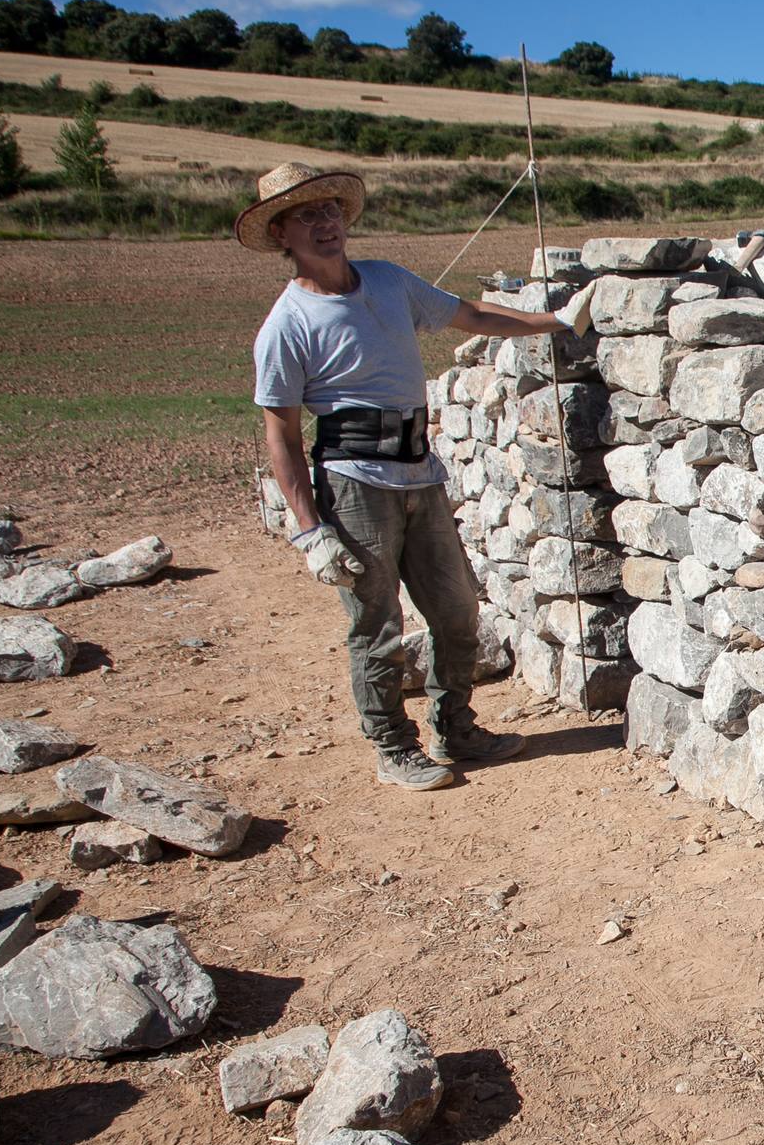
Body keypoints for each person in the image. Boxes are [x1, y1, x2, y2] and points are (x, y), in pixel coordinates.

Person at [240, 161, 592, 791]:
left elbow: (474, 316)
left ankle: (455, 726)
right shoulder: (286, 326)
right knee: (375, 623)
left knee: (456, 609)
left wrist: (555, 323)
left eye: (329, 211)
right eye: (305, 216)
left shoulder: (388, 282)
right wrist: (310, 532)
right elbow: (283, 439)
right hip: (353, 484)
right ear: (282, 235)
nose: (324, 224)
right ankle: (391, 745)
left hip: (419, 474)